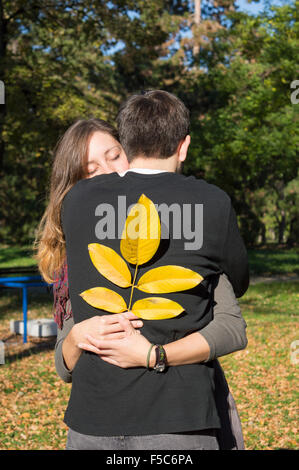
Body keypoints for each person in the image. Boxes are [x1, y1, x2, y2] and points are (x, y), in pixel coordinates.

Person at [36, 100, 248, 449]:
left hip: (170, 412)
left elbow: (230, 324)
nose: (105, 172)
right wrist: (76, 336)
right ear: (183, 147)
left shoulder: (82, 206)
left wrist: (153, 355)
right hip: (120, 417)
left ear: (129, 148)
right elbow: (65, 363)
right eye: (90, 168)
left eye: (112, 156)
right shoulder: (207, 204)